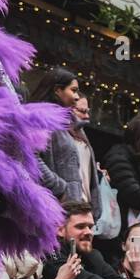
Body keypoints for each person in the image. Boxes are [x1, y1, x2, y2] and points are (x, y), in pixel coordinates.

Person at [30, 68, 101, 221]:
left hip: (79, 211)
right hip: (56, 211)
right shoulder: (40, 118)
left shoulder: (74, 124)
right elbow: (30, 157)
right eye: (73, 90)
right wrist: (60, 188)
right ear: (57, 90)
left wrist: (93, 207)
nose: (76, 97)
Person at [101, 116, 140, 251]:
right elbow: (135, 197)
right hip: (118, 227)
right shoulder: (119, 158)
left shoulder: (138, 160)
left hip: (127, 226)